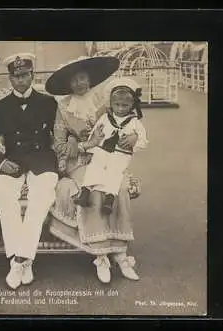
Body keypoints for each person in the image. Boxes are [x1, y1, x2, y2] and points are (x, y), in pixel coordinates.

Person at [45, 56, 142, 284]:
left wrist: (134, 134)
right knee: (96, 189)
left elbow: (130, 118)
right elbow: (59, 145)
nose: (79, 84)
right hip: (78, 161)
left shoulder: (105, 101)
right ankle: (101, 256)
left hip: (108, 157)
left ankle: (120, 253)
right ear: (68, 85)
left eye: (82, 78)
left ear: (89, 78)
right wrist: (78, 144)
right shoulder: (63, 108)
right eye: (74, 80)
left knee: (119, 186)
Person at [0, 53, 59, 290]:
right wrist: (1, 162)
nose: (21, 80)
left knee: (41, 197)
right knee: (3, 197)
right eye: (16, 76)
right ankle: (23, 261)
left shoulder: (49, 102)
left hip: (42, 160)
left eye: (25, 75)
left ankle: (19, 260)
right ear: (10, 79)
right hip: (11, 160)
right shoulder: (0, 107)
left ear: (32, 75)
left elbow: (61, 134)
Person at [77, 77, 148, 215]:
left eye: (124, 105)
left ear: (132, 105)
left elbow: (144, 141)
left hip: (121, 153)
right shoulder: (105, 118)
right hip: (102, 149)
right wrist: (92, 145)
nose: (120, 109)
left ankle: (110, 198)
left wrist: (135, 141)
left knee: (115, 172)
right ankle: (85, 191)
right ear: (111, 104)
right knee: (95, 166)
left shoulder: (134, 123)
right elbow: (94, 134)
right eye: (117, 105)